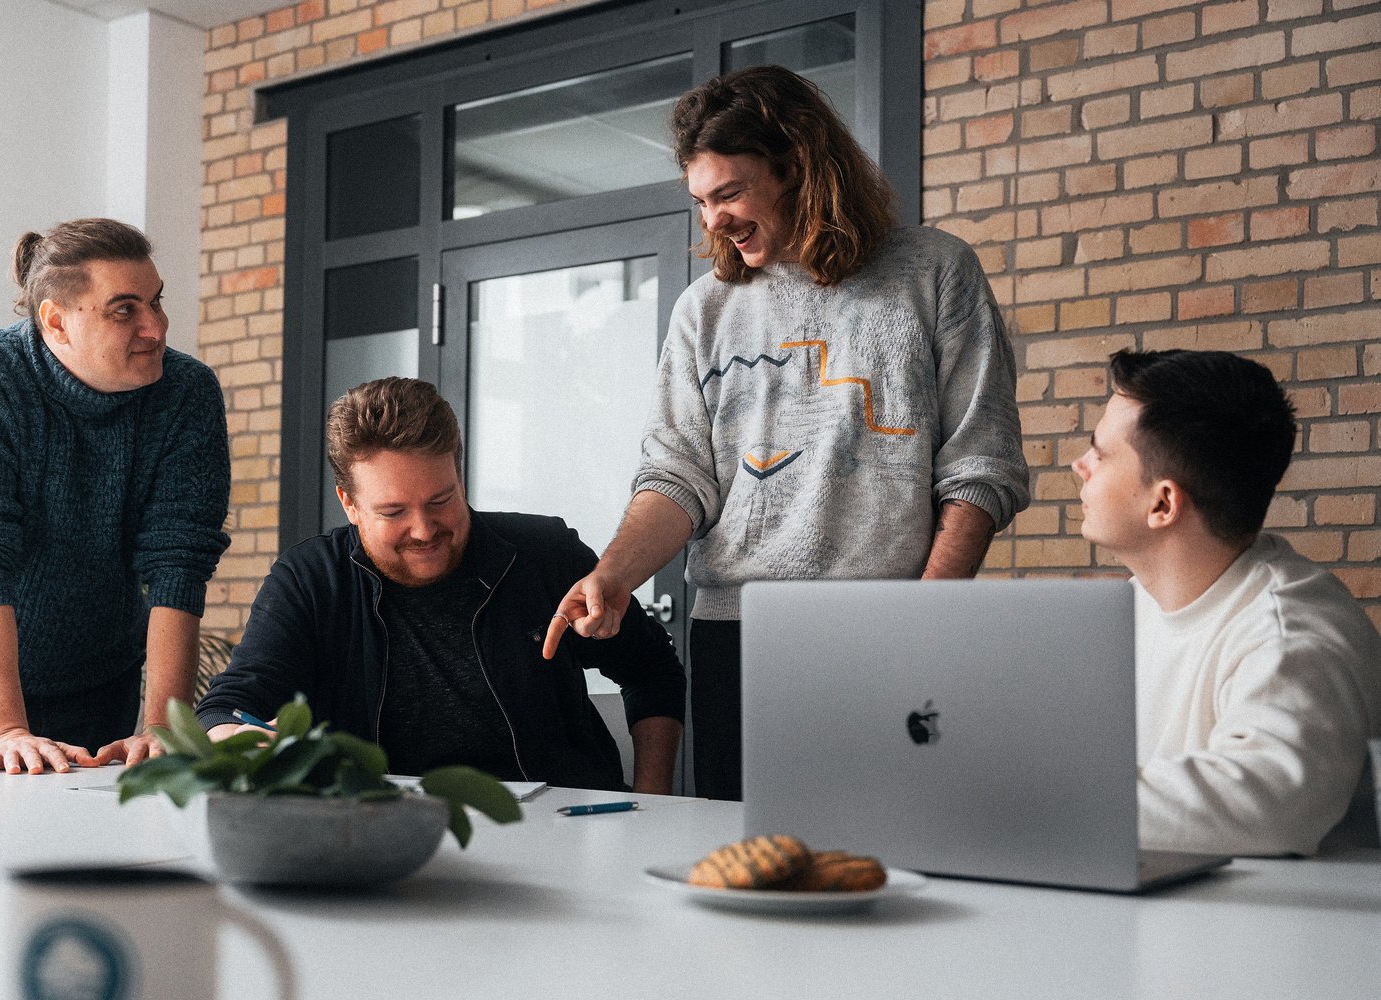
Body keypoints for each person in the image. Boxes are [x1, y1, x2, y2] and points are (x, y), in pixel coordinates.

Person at [543, 65, 1029, 799]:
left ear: (800, 167)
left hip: (890, 622)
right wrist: (614, 577)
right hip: (737, 636)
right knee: (744, 864)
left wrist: (928, 616)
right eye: (701, 201)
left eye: (730, 193)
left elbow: (979, 466)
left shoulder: (933, 272)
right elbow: (678, 478)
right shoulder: (703, 310)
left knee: (895, 849)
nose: (713, 221)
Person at [197, 377, 685, 794]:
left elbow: (653, 671)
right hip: (387, 838)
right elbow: (226, 707)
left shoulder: (544, 553)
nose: (425, 529)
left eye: (441, 500)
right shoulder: (310, 580)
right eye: (393, 512)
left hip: (572, 828)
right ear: (349, 504)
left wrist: (651, 802)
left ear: (460, 477)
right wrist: (239, 738)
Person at [0, 218, 231, 774]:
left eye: (156, 302)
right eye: (124, 309)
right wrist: (5, 730)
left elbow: (180, 563)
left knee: (93, 848)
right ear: (56, 322)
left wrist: (161, 728)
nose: (155, 328)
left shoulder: (187, 393)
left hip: (99, 671)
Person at [1073, 349, 1381, 855]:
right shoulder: (1135, 604)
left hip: (1287, 925)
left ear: (1163, 503)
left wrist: (1036, 799)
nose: (1078, 466)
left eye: (1099, 453)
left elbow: (1273, 803)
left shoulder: (1288, 633)